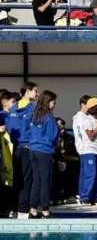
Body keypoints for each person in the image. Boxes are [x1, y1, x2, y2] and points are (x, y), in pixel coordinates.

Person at [7, 82, 37, 218]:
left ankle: (15, 208)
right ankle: (23, 209)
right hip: (26, 147)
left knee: (17, 178)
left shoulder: (13, 107)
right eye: (35, 91)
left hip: (15, 147)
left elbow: (10, 128)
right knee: (26, 179)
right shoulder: (32, 109)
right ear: (28, 91)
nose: (37, 94)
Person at [28, 90, 59, 219]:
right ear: (47, 102)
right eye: (53, 102)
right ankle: (45, 210)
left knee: (36, 180)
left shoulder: (35, 115)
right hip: (44, 151)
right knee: (45, 180)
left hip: (33, 150)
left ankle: (33, 209)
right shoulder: (49, 117)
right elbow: (53, 136)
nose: (55, 104)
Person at [53, 117, 79, 205]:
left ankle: (69, 195)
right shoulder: (53, 136)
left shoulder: (69, 137)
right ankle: (57, 197)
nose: (60, 127)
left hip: (68, 161)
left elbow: (73, 151)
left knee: (69, 174)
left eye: (61, 125)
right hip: (56, 160)